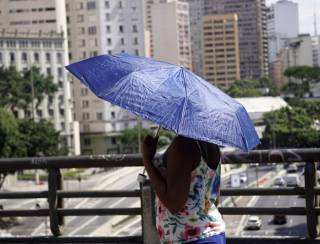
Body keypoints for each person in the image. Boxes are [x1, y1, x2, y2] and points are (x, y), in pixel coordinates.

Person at [142, 134, 226, 244]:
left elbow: (174, 204)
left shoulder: (182, 144)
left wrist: (147, 160)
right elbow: (214, 198)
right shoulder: (212, 143)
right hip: (211, 233)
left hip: (190, 239)